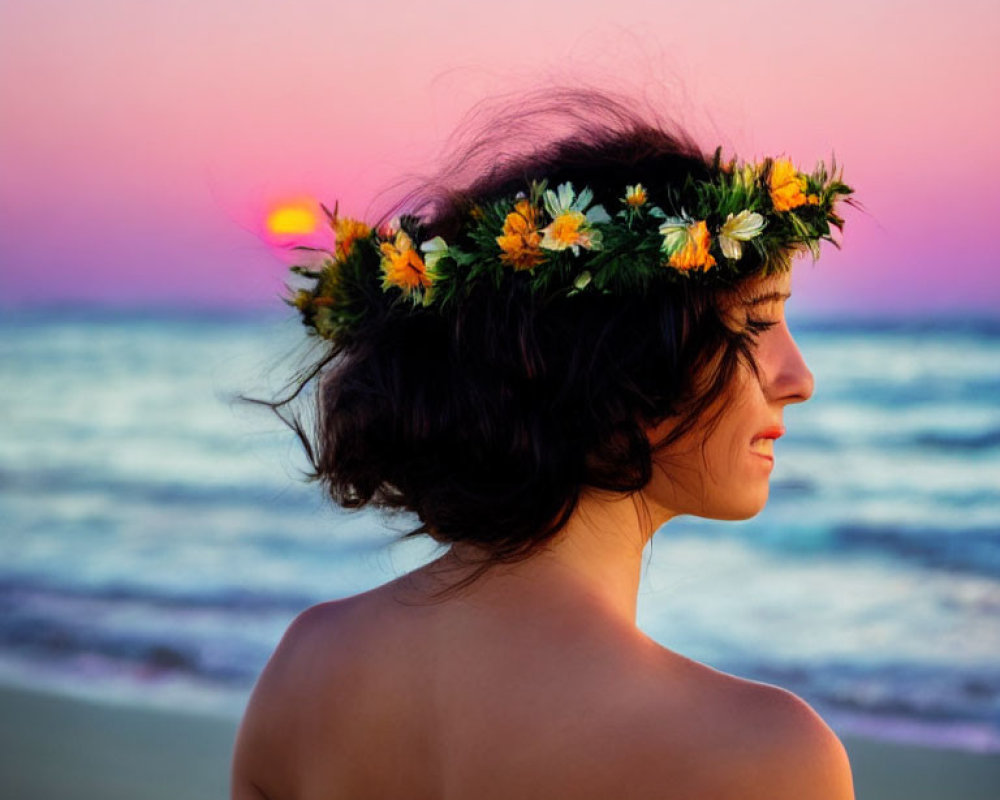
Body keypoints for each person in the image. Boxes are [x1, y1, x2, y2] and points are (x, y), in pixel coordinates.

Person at [231, 88, 859, 800]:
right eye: (753, 324)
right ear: (612, 356)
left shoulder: (305, 669)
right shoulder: (764, 757)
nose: (798, 379)